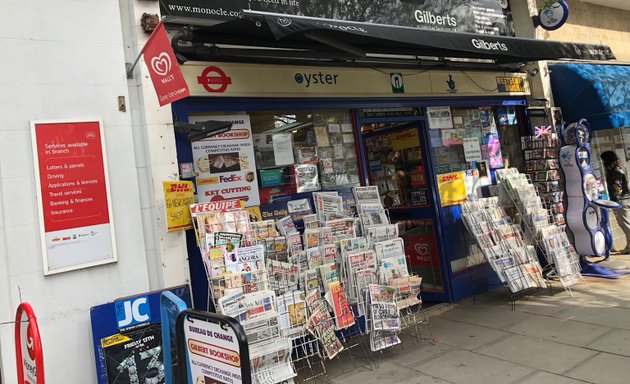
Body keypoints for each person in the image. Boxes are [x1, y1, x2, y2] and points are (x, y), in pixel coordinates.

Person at [601, 151, 630, 253]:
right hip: (626, 199)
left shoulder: (615, 171)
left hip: (621, 201)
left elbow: (617, 187)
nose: (603, 163)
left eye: (603, 160)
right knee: (626, 223)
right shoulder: (621, 167)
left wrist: (615, 201)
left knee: (625, 224)